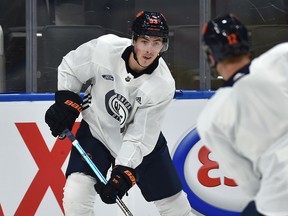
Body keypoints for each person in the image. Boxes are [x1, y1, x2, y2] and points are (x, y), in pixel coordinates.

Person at [45, 10, 194, 216]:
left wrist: (123, 172)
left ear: (163, 46)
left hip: (142, 144)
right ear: (134, 40)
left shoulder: (162, 85)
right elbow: (71, 66)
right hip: (97, 131)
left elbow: (139, 138)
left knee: (176, 208)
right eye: (144, 41)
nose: (149, 50)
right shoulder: (105, 49)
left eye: (156, 43)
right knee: (76, 192)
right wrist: (66, 102)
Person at [197, 13, 288, 216]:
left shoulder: (211, 118)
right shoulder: (282, 57)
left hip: (279, 197)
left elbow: (249, 183)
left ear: (210, 56)